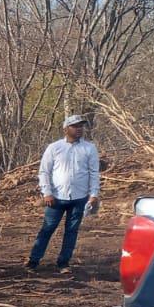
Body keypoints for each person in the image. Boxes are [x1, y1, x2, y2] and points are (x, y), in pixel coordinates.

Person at [26, 114, 101, 274]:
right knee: (48, 228)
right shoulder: (54, 147)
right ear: (66, 129)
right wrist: (46, 192)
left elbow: (94, 172)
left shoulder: (89, 148)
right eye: (75, 126)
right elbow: (44, 171)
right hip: (56, 198)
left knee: (71, 231)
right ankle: (34, 260)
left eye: (81, 126)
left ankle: (63, 263)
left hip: (79, 197)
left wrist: (94, 194)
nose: (79, 129)